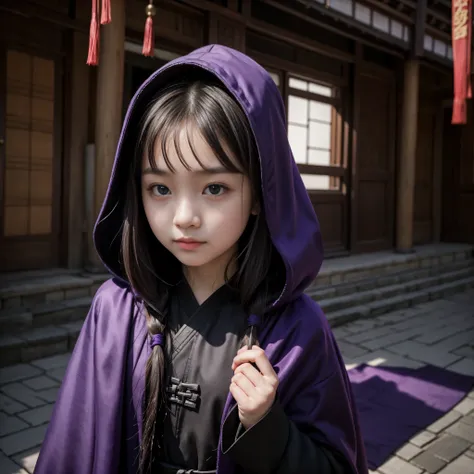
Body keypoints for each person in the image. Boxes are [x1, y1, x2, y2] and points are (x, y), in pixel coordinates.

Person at [34, 44, 368, 474]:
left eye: (214, 188)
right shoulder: (114, 312)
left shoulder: (297, 329)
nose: (184, 217)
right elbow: (73, 449)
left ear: (259, 195)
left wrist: (268, 427)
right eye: (160, 188)